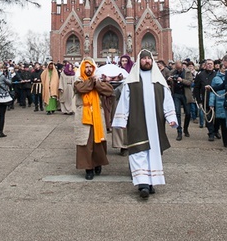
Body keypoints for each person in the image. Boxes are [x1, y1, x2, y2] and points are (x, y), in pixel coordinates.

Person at [112, 49, 177, 199]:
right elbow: (124, 101)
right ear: (139, 61)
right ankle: (143, 184)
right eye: (144, 58)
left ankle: (151, 182)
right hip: (137, 121)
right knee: (139, 151)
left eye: (149, 58)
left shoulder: (159, 81)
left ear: (152, 61)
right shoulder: (132, 82)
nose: (147, 61)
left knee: (153, 152)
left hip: (155, 123)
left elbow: (167, 100)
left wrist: (171, 117)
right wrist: (121, 120)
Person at [73, 58, 114, 180]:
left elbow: (109, 90)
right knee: (85, 142)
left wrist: (98, 83)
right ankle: (88, 168)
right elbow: (82, 89)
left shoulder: (98, 81)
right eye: (86, 67)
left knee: (98, 141)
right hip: (83, 114)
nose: (89, 69)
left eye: (91, 67)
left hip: (97, 114)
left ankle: (98, 163)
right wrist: (93, 81)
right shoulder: (78, 81)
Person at [168, 60, 193, 141]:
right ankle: (179, 131)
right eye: (177, 68)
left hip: (185, 94)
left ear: (182, 66)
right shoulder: (172, 72)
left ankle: (186, 128)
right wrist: (170, 80)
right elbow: (168, 81)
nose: (178, 70)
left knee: (188, 113)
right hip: (176, 94)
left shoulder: (187, 72)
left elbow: (190, 82)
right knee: (177, 113)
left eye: (179, 68)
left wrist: (182, 80)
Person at [207, 63, 227, 149]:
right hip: (220, 102)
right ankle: (226, 142)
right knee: (223, 123)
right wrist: (211, 103)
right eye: (224, 67)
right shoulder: (216, 79)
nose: (225, 69)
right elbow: (212, 92)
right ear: (220, 69)